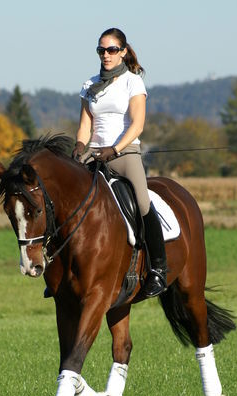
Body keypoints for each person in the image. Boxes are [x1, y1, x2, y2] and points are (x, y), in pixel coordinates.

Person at [72, 27, 167, 297]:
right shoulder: (89, 85)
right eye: (101, 50)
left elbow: (137, 125)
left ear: (123, 52)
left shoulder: (132, 82)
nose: (106, 54)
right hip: (94, 154)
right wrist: (80, 146)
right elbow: (84, 126)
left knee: (142, 201)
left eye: (112, 49)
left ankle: (158, 269)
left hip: (124, 153)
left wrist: (114, 149)